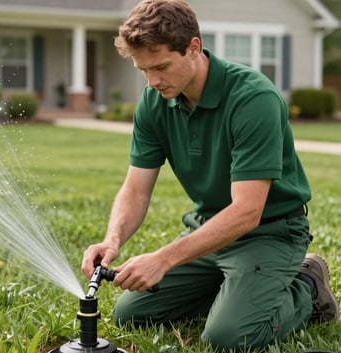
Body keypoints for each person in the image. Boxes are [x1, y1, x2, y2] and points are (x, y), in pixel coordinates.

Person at [82, 0, 340, 350]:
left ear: (193, 48)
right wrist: (112, 241)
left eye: (160, 67)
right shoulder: (153, 102)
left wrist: (164, 258)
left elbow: (248, 211)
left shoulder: (253, 98)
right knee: (132, 313)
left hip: (270, 232)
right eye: (143, 70)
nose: (152, 81)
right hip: (207, 229)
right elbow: (136, 190)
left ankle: (307, 286)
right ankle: (237, 295)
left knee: (229, 337)